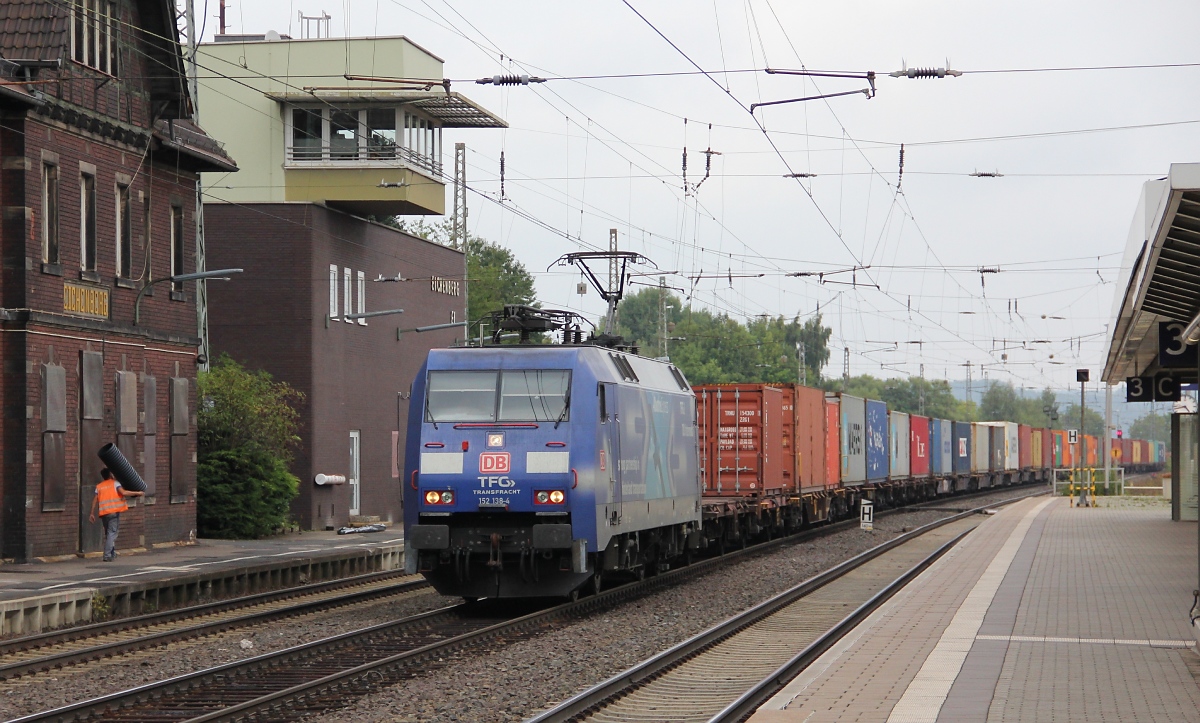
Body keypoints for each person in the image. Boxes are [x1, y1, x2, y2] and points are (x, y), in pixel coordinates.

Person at [89, 468, 144, 561]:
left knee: (108, 533)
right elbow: (124, 492)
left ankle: (112, 553)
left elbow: (95, 500)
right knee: (112, 533)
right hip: (113, 513)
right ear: (110, 474)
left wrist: (91, 513)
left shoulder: (99, 486)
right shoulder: (115, 483)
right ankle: (107, 555)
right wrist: (137, 493)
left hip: (104, 513)